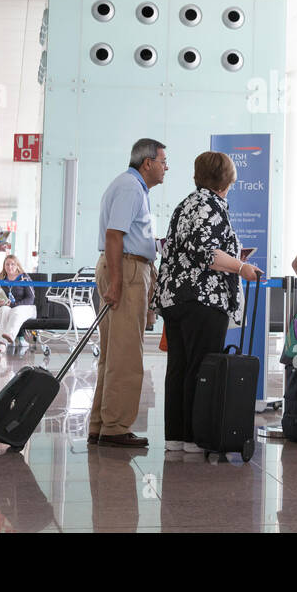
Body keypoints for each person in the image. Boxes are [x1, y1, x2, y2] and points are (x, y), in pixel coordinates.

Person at [154, 151, 263, 453]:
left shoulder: (186, 204)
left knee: (179, 366)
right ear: (228, 178)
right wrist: (242, 267)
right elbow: (207, 253)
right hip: (202, 298)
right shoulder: (210, 205)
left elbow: (185, 248)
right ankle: (194, 438)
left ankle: (175, 436)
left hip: (176, 297)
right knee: (201, 368)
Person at [88, 138, 166, 449]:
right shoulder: (131, 188)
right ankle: (115, 428)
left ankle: (103, 424)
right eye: (162, 161)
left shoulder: (132, 188)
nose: (166, 166)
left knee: (114, 353)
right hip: (126, 270)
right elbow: (114, 235)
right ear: (147, 163)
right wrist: (118, 283)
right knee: (125, 354)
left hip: (130, 267)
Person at [0, 254, 35, 355]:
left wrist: (14, 304)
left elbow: (30, 299)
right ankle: (0, 345)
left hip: (25, 308)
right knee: (3, 310)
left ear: (17, 266)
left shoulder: (24, 278)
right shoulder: (0, 278)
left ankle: (9, 336)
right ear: (4, 266)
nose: (10, 267)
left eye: (12, 264)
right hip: (8, 307)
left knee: (16, 310)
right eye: (7, 264)